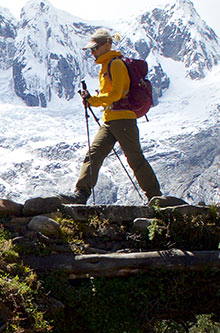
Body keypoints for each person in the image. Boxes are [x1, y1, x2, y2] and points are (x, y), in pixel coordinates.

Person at [67, 27, 162, 203]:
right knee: (94, 155)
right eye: (91, 49)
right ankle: (81, 193)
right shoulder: (106, 66)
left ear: (107, 45)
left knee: (134, 159)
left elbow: (117, 94)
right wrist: (93, 100)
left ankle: (155, 196)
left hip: (123, 119)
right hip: (111, 120)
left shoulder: (116, 64)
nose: (93, 52)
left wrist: (93, 100)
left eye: (95, 48)